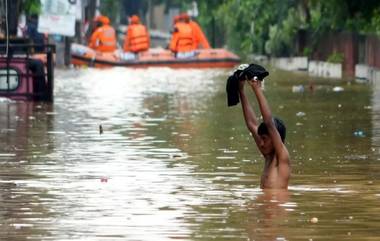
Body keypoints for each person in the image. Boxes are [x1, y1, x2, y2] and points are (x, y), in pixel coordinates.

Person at [237, 64, 290, 189]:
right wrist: (241, 90)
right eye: (261, 139)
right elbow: (251, 124)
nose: (261, 143)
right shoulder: (268, 157)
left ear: (275, 138)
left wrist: (256, 89)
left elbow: (269, 124)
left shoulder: (281, 158)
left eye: (265, 139)